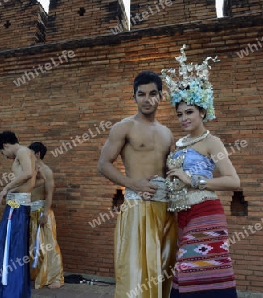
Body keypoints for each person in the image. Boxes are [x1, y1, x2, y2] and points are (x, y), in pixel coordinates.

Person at [161, 45, 239, 297]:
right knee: (186, 276)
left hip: (205, 212)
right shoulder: (179, 143)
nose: (184, 118)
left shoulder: (211, 142)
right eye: (180, 113)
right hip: (181, 216)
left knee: (199, 273)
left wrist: (192, 179)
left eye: (190, 112)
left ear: (203, 111)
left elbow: (233, 181)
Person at [97, 71, 178, 298]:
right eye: (141, 94)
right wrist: (133, 184)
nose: (147, 99)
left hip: (167, 211)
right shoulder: (124, 127)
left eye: (153, 93)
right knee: (136, 274)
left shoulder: (167, 133)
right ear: (134, 97)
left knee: (163, 272)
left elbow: (172, 172)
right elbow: (103, 164)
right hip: (138, 208)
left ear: (161, 97)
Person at [0, 131, 37, 298]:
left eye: (2, 153)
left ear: (5, 145)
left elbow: (27, 174)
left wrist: (6, 188)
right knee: (8, 246)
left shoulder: (22, 152)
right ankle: (6, 289)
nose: (5, 156)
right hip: (16, 204)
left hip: (18, 205)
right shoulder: (27, 153)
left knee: (10, 248)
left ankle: (8, 291)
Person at [28, 142, 64, 289]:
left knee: (48, 245)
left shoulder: (47, 171)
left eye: (30, 153)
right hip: (29, 212)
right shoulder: (29, 169)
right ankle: (37, 274)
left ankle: (55, 277)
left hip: (42, 212)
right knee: (33, 246)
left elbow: (49, 194)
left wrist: (44, 214)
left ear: (37, 154)